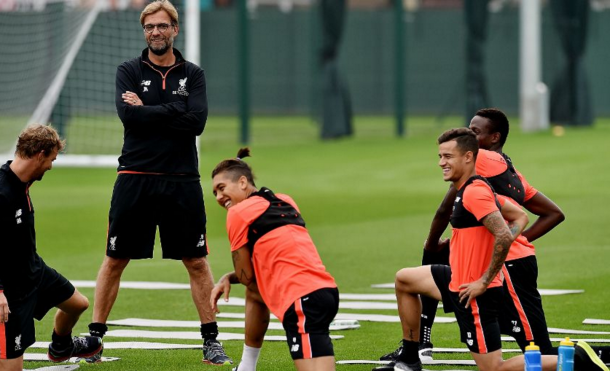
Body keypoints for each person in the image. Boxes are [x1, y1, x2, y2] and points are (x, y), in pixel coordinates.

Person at [86, 0, 231, 365]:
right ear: (144, 30)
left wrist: (148, 111)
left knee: (196, 262)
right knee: (115, 258)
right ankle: (95, 338)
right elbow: (128, 117)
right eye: (149, 27)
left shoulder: (192, 74)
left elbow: (196, 122)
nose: (155, 32)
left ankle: (211, 340)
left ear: (174, 29)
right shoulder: (129, 70)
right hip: (134, 177)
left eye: (162, 26)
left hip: (181, 179)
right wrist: (172, 111)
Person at [390, 127, 606, 371]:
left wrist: (483, 280)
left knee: (494, 367)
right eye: (440, 156)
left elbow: (503, 233)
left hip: (474, 293)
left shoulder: (474, 193)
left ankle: (577, 361)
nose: (441, 163)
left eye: (448, 157)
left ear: (469, 157)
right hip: (456, 280)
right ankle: (409, 357)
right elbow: (519, 217)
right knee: (405, 280)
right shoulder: (474, 187)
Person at [210, 148, 339, 371]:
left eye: (221, 188)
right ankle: (246, 367)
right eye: (215, 193)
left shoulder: (238, 214)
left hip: (301, 299)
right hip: (326, 292)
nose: (219, 197)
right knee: (255, 293)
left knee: (253, 289)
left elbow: (247, 276)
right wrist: (229, 277)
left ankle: (247, 367)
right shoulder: (285, 200)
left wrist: (231, 277)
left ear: (242, 182)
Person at [0, 125, 103, 370]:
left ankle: (61, 346)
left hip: (34, 271)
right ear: (40, 155)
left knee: (78, 304)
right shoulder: (2, 192)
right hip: (11, 291)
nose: (51, 166)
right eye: (51, 159)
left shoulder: (21, 181)